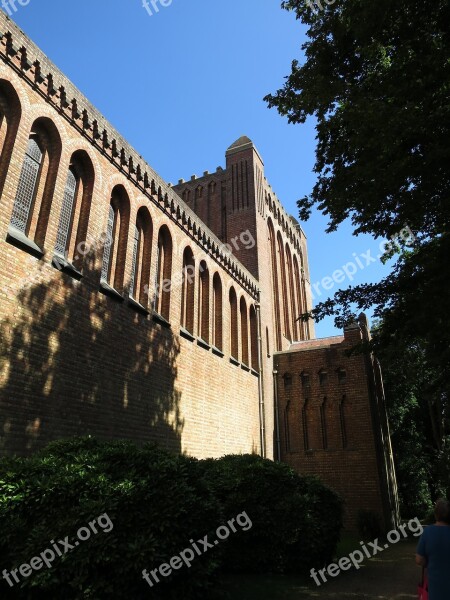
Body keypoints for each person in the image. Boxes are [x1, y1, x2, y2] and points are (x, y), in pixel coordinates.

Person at [416, 498, 450, 600]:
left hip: (435, 585)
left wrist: (429, 562)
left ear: (436, 514)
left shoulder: (427, 532)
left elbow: (419, 559)